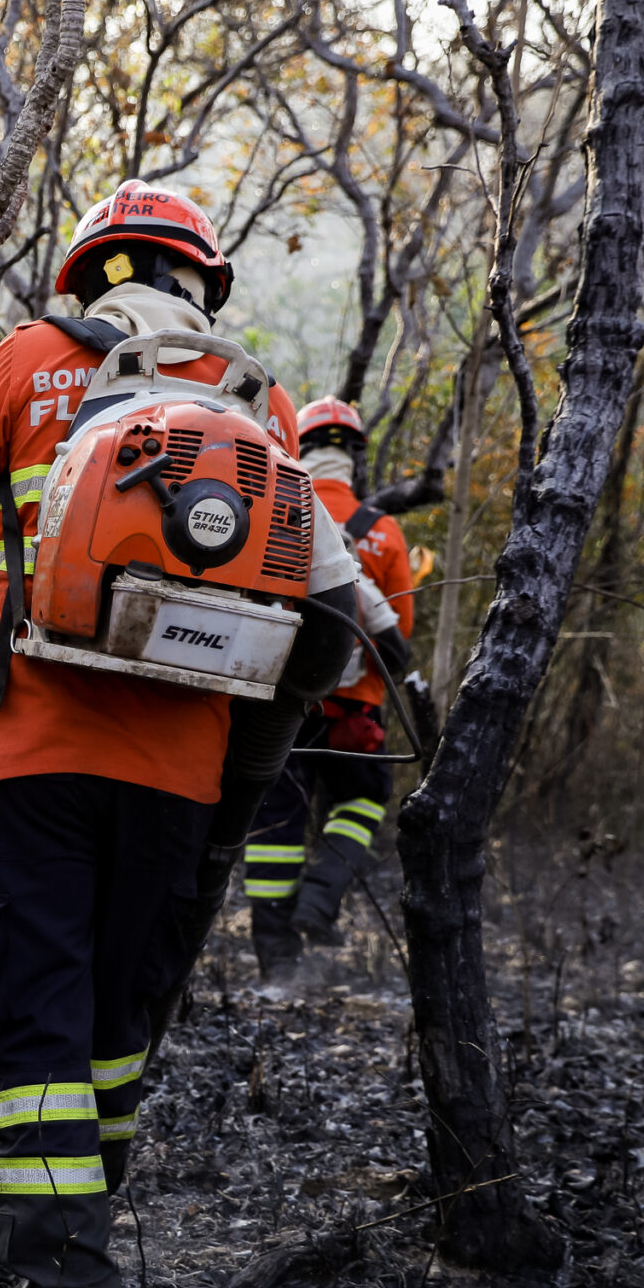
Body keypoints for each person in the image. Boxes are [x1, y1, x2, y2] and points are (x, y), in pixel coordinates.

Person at [0, 181, 358, 1288]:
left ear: (91, 272)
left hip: (23, 748)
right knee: (108, 1041)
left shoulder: (35, 358)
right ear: (202, 281)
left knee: (37, 1042)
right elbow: (318, 599)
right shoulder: (261, 400)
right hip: (182, 771)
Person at [242, 396, 425, 980]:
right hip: (355, 709)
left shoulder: (272, 507)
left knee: (274, 821)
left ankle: (277, 963)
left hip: (276, 702)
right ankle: (320, 901)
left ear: (303, 445)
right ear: (355, 457)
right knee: (364, 801)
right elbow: (400, 633)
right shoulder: (384, 532)